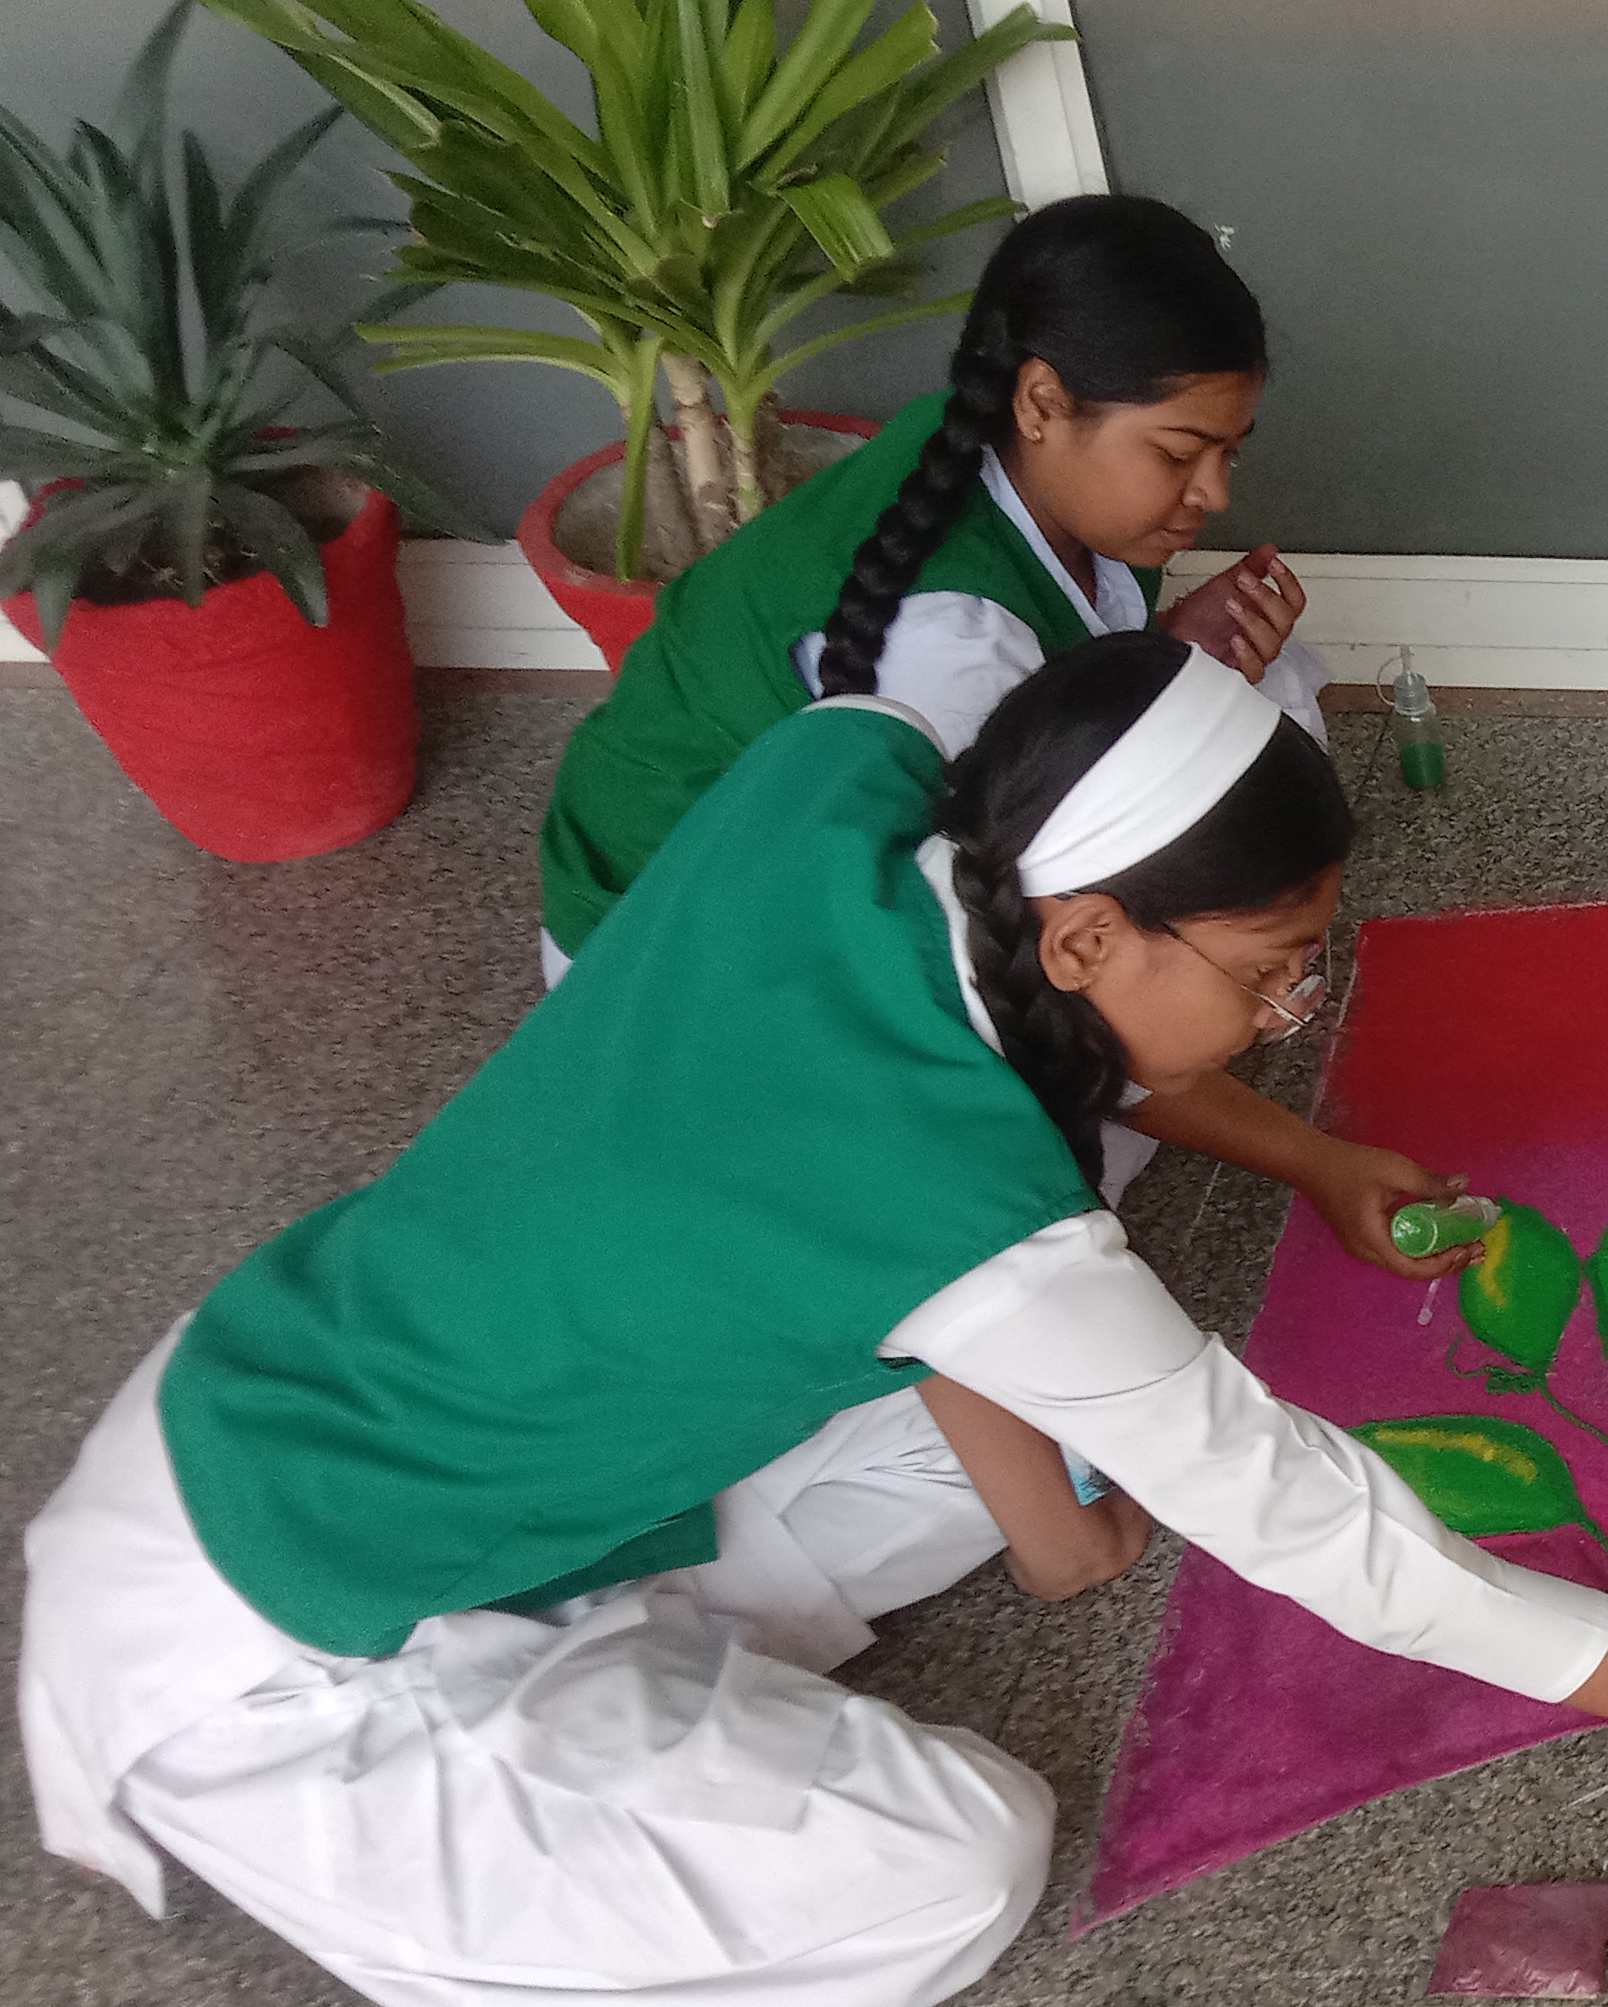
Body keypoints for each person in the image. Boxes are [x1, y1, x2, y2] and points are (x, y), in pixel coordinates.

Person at [20, 638, 1608, 2007]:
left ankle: (622, 1681)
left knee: (1003, 1455)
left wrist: (1281, 1191)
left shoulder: (849, 773)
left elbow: (968, 1113)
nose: (1293, 1017)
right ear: (1093, 934)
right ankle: (474, 1928)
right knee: (963, 1860)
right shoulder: (983, 1227)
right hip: (272, 1635)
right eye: (1269, 971)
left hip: (302, 1379)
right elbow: (1388, 1575)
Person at [536, 192, 1424, 1231]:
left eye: (1230, 452)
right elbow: (1013, 958)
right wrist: (1314, 1161)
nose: (1214, 494)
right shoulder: (950, 652)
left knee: (1244, 707)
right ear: (1042, 401)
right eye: (1179, 453)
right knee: (1017, 1170)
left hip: (817, 864)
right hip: (669, 975)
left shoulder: (998, 445)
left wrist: (1162, 643)